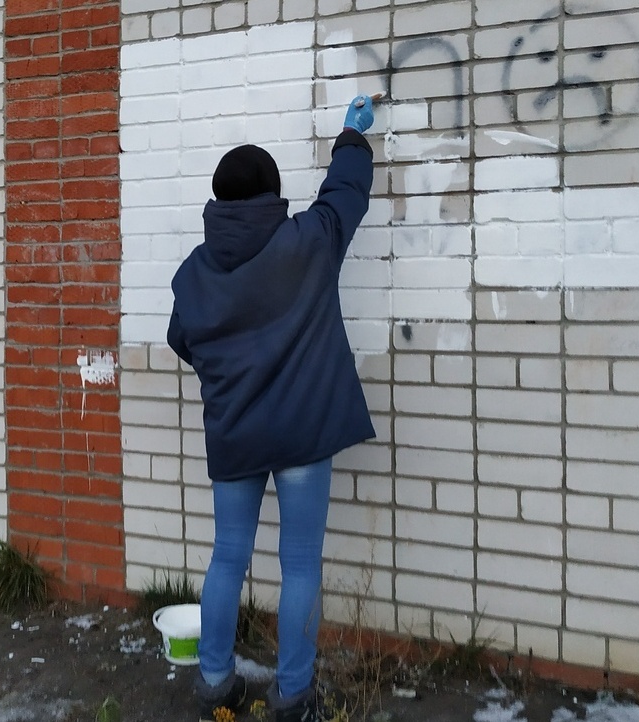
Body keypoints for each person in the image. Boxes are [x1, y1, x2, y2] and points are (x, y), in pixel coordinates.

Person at [166, 95, 378, 722]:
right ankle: (293, 695)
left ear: (218, 200)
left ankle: (213, 683)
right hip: (302, 436)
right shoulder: (307, 241)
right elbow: (346, 196)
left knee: (227, 554)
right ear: (272, 194)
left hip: (235, 435)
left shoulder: (193, 273)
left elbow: (184, 339)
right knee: (299, 563)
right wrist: (350, 134)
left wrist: (232, 372)